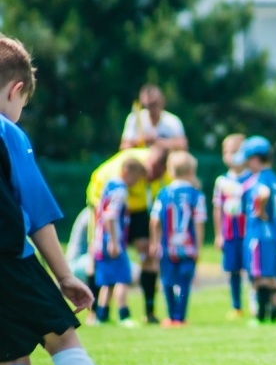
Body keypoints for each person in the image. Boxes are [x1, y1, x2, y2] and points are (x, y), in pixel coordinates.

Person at [0, 35, 163, 365]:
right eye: (23, 104)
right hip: (9, 260)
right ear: (16, 91)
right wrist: (65, 275)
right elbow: (35, 212)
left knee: (9, 357)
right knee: (62, 338)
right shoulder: (6, 132)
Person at [86, 145, 171, 323]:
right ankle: (98, 312)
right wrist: (111, 239)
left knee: (147, 255)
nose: (150, 177)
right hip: (108, 217)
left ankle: (148, 312)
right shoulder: (119, 177)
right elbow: (105, 209)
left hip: (136, 211)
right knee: (105, 265)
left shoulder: (162, 170)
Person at [234, 135, 276, 324]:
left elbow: (263, 193)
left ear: (254, 159)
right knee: (273, 274)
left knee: (260, 276)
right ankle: (273, 313)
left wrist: (260, 211)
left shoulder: (258, 179)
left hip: (260, 233)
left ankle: (261, 316)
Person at [149, 151, 207, 327]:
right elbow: (199, 223)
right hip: (187, 248)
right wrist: (198, 246)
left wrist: (154, 242)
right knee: (184, 283)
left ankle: (170, 315)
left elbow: (155, 220)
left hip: (167, 248)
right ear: (191, 171)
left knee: (167, 281)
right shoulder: (196, 195)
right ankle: (180, 317)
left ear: (170, 171)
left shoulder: (164, 193)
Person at [92, 157, 147, 327]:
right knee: (123, 277)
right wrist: (115, 242)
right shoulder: (120, 189)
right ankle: (124, 315)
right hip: (112, 240)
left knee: (107, 280)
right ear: (126, 172)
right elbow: (111, 216)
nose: (135, 183)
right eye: (135, 178)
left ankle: (101, 315)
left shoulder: (108, 186)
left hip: (101, 239)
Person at [212, 133, 248, 318]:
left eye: (234, 151)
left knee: (252, 269)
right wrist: (219, 234)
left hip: (248, 232)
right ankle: (236, 306)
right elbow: (217, 209)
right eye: (226, 152)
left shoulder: (251, 178)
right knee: (233, 270)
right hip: (230, 233)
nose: (230, 155)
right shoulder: (222, 181)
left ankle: (256, 303)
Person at [120, 84, 187, 151]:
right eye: (147, 105)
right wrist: (142, 141)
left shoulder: (172, 121)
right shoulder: (134, 118)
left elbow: (182, 145)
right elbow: (124, 147)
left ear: (162, 101)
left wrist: (157, 141)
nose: (151, 108)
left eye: (153, 104)